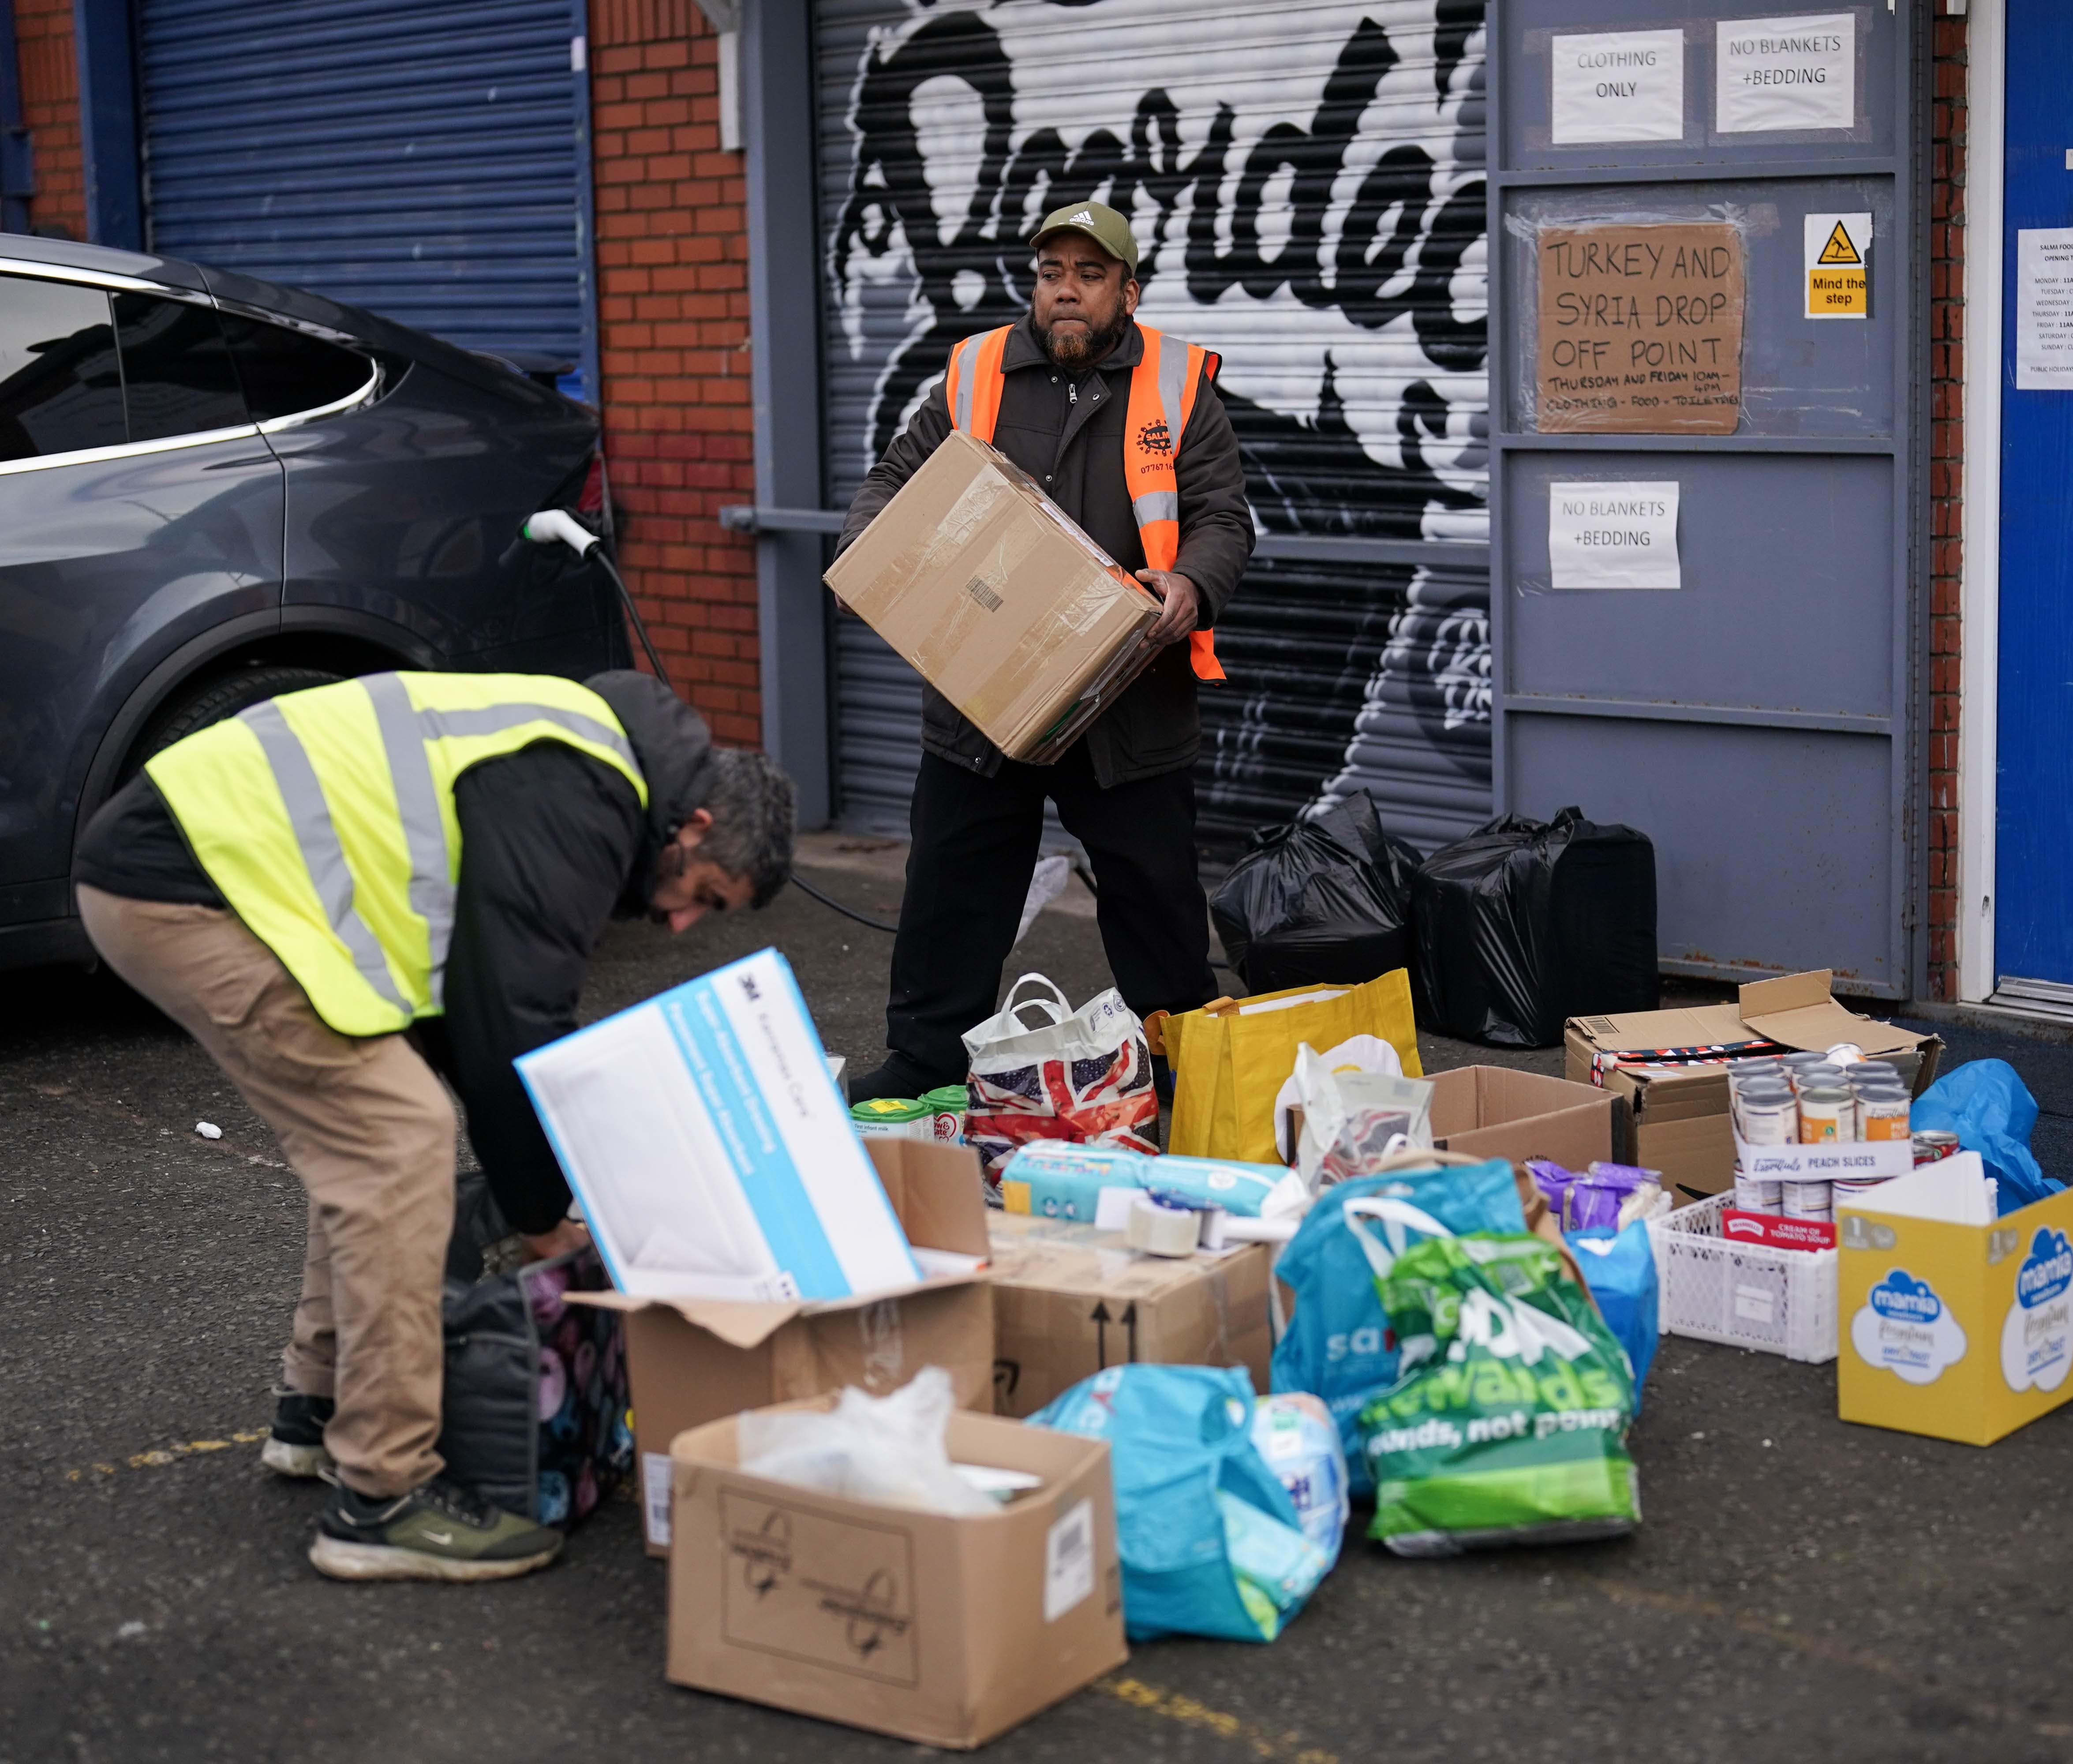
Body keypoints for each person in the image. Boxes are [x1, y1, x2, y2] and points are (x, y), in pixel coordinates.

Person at [72, 669, 794, 1582]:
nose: (682, 920)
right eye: (704, 893)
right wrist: (544, 1222)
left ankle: (316, 1410)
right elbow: (513, 1020)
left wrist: (544, 1185)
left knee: (374, 1143)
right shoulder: (585, 790)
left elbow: (473, 1007)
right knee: (400, 1141)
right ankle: (381, 1495)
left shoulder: (582, 753)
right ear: (693, 826)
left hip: (191, 871)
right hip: (194, 888)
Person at [842, 201, 1253, 1105]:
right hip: (983, 691)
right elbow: (893, 483)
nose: (1066, 291)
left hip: (1128, 694)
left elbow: (1224, 515)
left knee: (1156, 902)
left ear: (1127, 291)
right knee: (952, 890)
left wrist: (1188, 585)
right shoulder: (977, 371)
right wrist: (882, 561)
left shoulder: (1178, 386)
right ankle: (924, 1062)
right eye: (1051, 273)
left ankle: (1185, 1068)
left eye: (1089, 274)